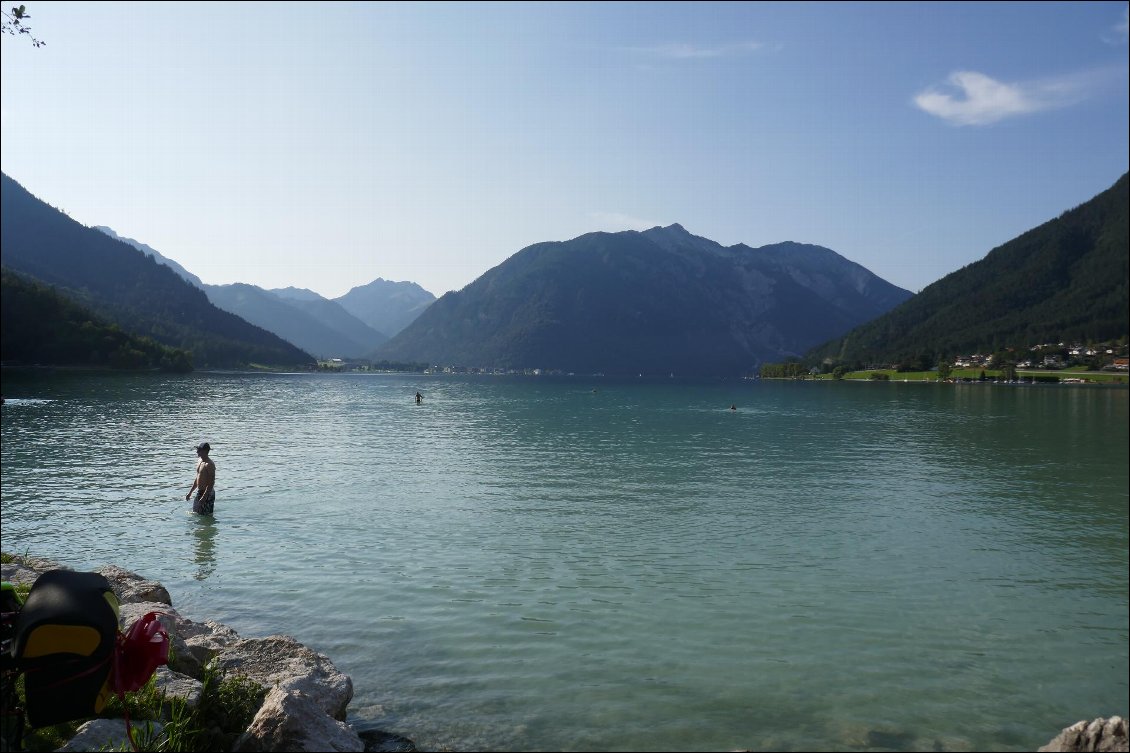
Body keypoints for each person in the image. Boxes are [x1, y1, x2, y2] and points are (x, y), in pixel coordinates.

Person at [186, 441, 216, 515]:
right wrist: (190, 492)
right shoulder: (200, 461)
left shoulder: (209, 464)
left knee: (206, 515)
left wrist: (204, 497)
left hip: (208, 493)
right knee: (195, 513)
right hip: (200, 492)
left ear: (205, 451)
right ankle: (199, 527)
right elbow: (197, 478)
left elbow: (211, 483)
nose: (197, 452)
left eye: (199, 450)